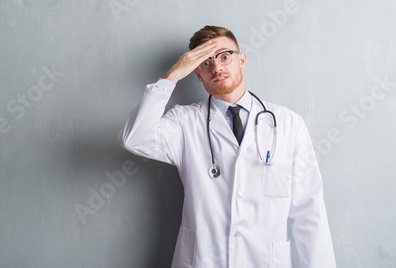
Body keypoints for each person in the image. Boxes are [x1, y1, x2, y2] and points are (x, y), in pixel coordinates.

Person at [118, 25, 336, 268]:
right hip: (203, 261)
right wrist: (172, 77)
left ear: (241, 59)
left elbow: (309, 210)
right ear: (197, 74)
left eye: (224, 56)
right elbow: (134, 138)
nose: (217, 68)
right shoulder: (184, 122)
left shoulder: (287, 123)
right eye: (205, 62)